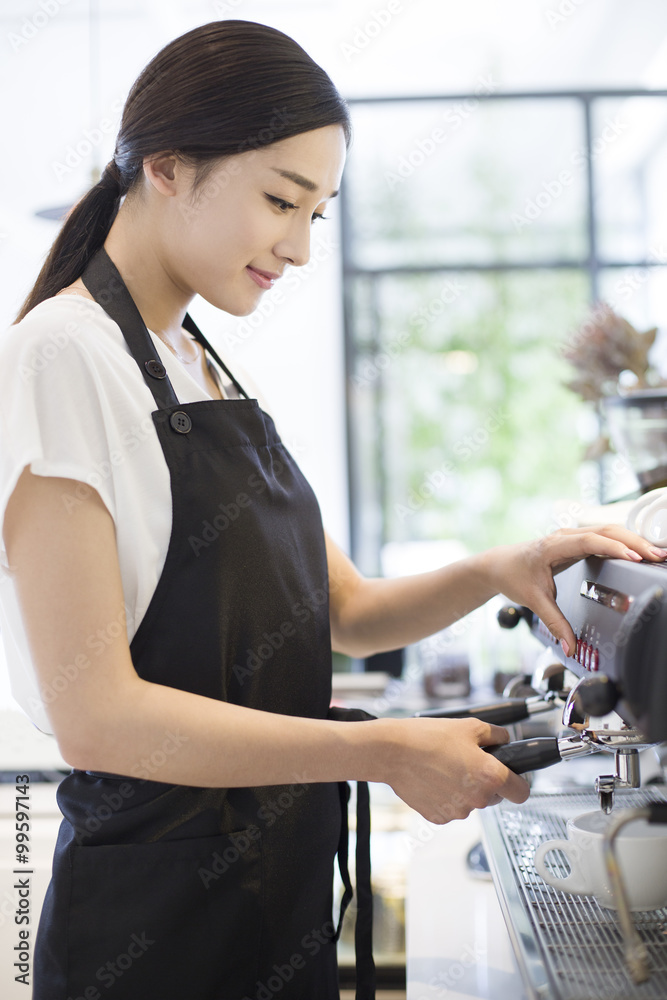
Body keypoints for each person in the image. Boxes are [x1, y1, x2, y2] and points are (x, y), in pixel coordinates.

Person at [1, 18, 664, 1000]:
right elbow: (97, 719)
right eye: (281, 201)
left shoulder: (197, 359)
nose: (302, 249)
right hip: (153, 929)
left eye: (319, 213)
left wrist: (502, 565)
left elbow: (345, 609)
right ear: (168, 168)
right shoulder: (64, 357)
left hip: (271, 897)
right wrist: (381, 750)